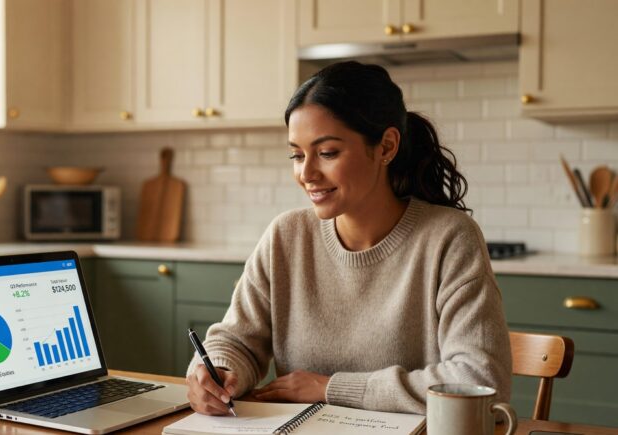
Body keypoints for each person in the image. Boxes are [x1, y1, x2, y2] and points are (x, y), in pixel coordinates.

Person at [185, 61, 512, 416]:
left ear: (386, 147)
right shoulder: (286, 236)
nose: (306, 173)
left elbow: (481, 381)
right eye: (296, 155)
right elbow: (235, 342)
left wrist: (330, 388)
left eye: (327, 153)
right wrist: (216, 372)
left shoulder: (449, 238)